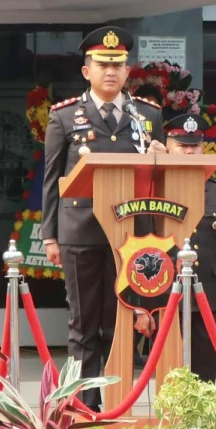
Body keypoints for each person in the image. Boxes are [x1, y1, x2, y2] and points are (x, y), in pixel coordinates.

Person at [41, 26, 166, 408]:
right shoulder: (64, 117)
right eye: (102, 64)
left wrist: (160, 155)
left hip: (131, 235)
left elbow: (157, 180)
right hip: (80, 231)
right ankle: (82, 403)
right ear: (86, 71)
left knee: (121, 322)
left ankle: (115, 401)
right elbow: (52, 179)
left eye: (118, 65)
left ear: (128, 72)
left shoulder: (147, 115)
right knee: (83, 325)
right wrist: (50, 236)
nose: (110, 71)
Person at [132, 112, 216, 383]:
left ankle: (202, 425)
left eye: (195, 146)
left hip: (210, 295)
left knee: (205, 373)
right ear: (167, 146)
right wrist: (141, 305)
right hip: (165, 295)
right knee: (168, 375)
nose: (189, 152)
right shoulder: (153, 190)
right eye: (182, 146)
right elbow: (141, 248)